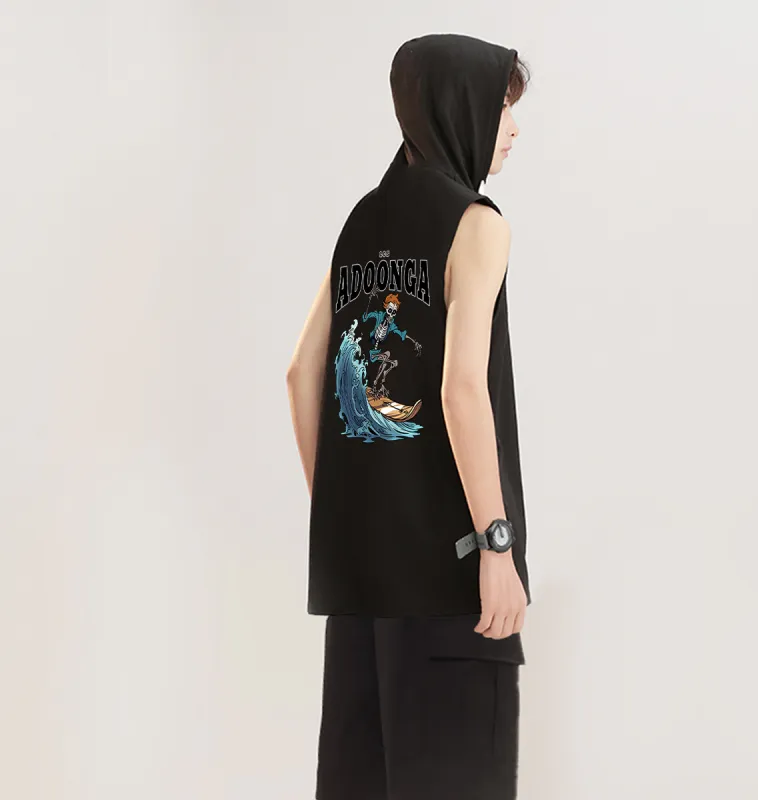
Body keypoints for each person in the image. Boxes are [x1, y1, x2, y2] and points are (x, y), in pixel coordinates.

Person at [286, 32, 532, 800]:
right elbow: (462, 389)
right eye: (502, 108)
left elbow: (301, 374)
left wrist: (348, 509)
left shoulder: (360, 224)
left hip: (361, 592)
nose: (514, 128)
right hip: (450, 587)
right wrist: (496, 547)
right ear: (462, 109)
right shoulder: (477, 223)